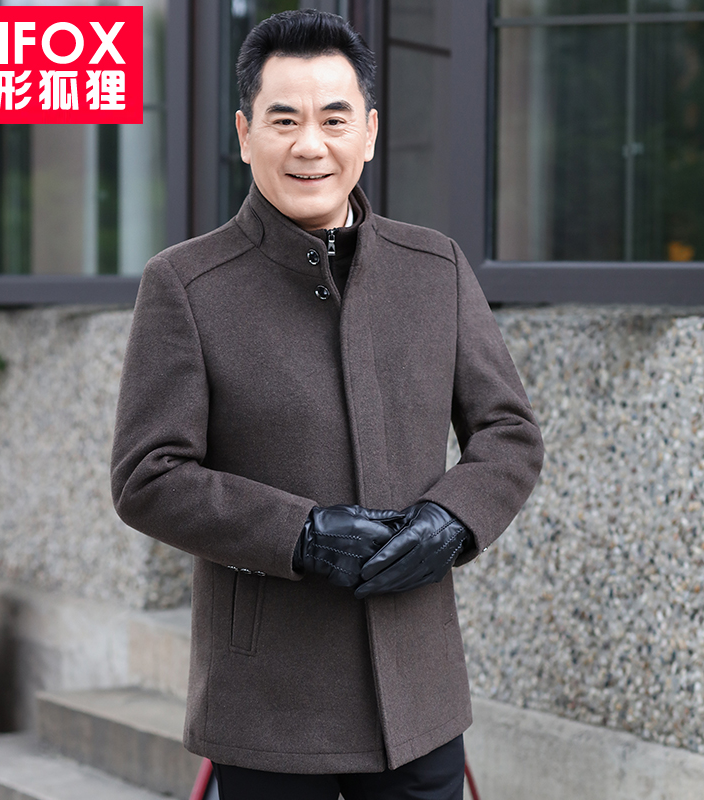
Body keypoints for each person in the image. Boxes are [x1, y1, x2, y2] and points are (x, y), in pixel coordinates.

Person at [111, 9, 543, 800]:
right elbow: (149, 476)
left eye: (334, 119)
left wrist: (453, 520)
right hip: (266, 704)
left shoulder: (435, 267)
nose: (310, 145)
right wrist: (301, 534)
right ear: (245, 134)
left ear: (369, 133)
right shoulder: (185, 284)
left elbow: (508, 432)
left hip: (418, 695)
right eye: (284, 120)